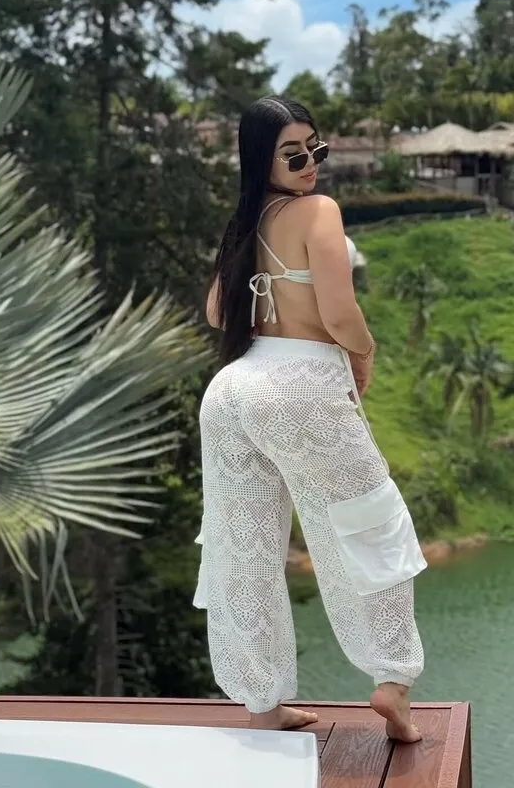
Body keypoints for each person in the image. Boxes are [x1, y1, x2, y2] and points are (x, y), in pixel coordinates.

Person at [193, 95, 427, 741]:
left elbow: (216, 313)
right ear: (261, 160)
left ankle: (262, 704)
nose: (310, 164)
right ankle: (392, 681)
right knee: (370, 522)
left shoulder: (244, 222)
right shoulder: (319, 212)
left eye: (316, 149)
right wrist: (364, 355)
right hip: (298, 385)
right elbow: (340, 313)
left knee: (245, 547)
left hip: (232, 392)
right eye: (293, 155)